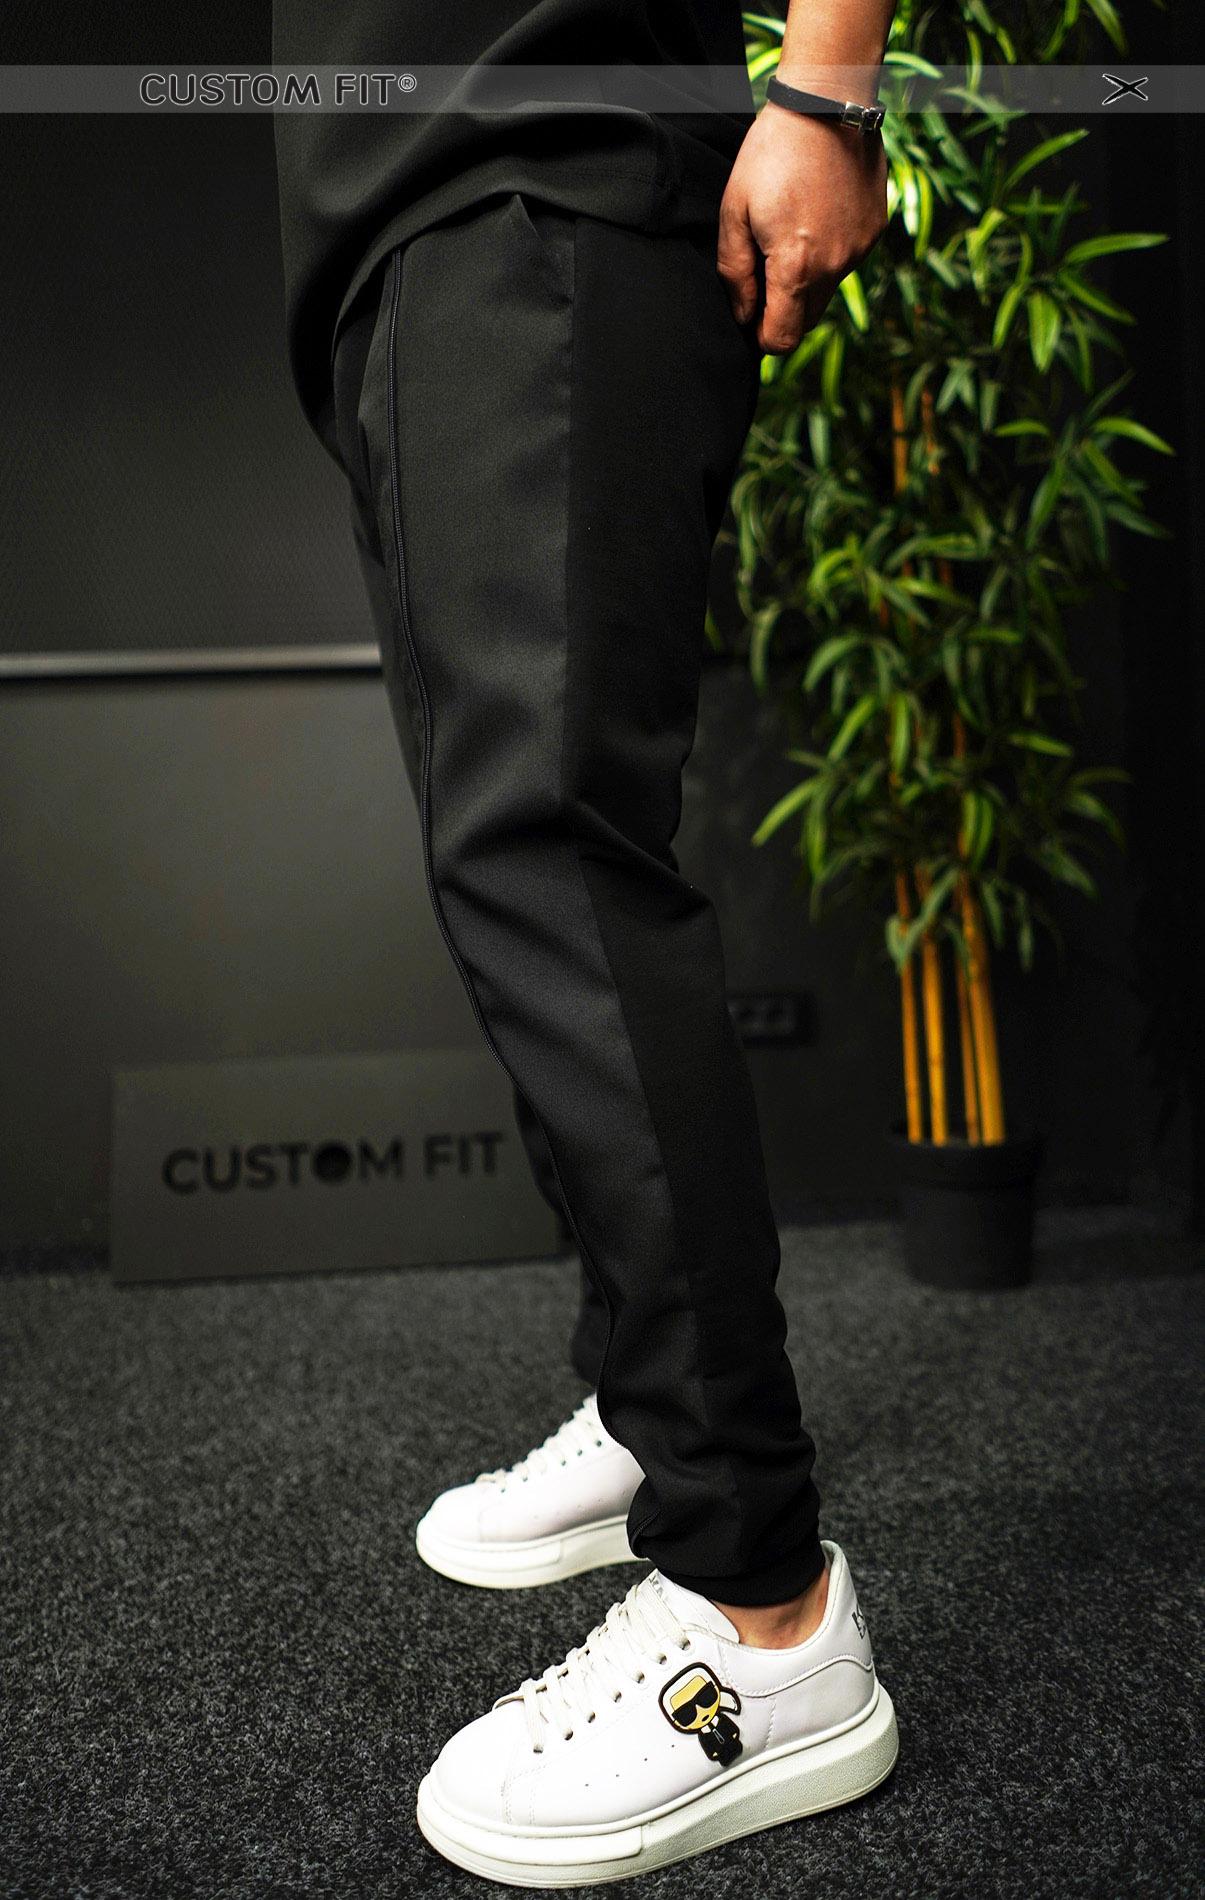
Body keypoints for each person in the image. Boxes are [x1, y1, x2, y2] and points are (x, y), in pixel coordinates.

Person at [273, 0, 897, 1881]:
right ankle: (649, 1410)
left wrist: (827, 87)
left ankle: (760, 1614)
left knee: (556, 865)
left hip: (543, 175)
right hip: (408, 226)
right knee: (510, 868)